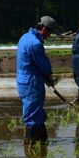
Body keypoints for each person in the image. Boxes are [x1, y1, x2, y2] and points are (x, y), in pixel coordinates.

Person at [16, 16, 59, 145]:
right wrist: (50, 77)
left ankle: (42, 144)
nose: (49, 36)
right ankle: (31, 149)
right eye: (49, 33)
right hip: (32, 82)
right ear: (44, 29)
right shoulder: (35, 43)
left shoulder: (24, 37)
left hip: (23, 80)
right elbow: (43, 65)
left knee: (36, 111)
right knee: (32, 115)